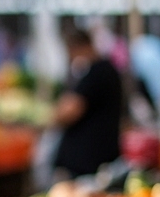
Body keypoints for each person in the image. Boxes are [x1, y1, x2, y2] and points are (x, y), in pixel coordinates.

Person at [53, 29, 123, 178]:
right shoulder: (97, 70)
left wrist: (51, 117)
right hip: (91, 159)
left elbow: (70, 111)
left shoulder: (98, 72)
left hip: (90, 163)